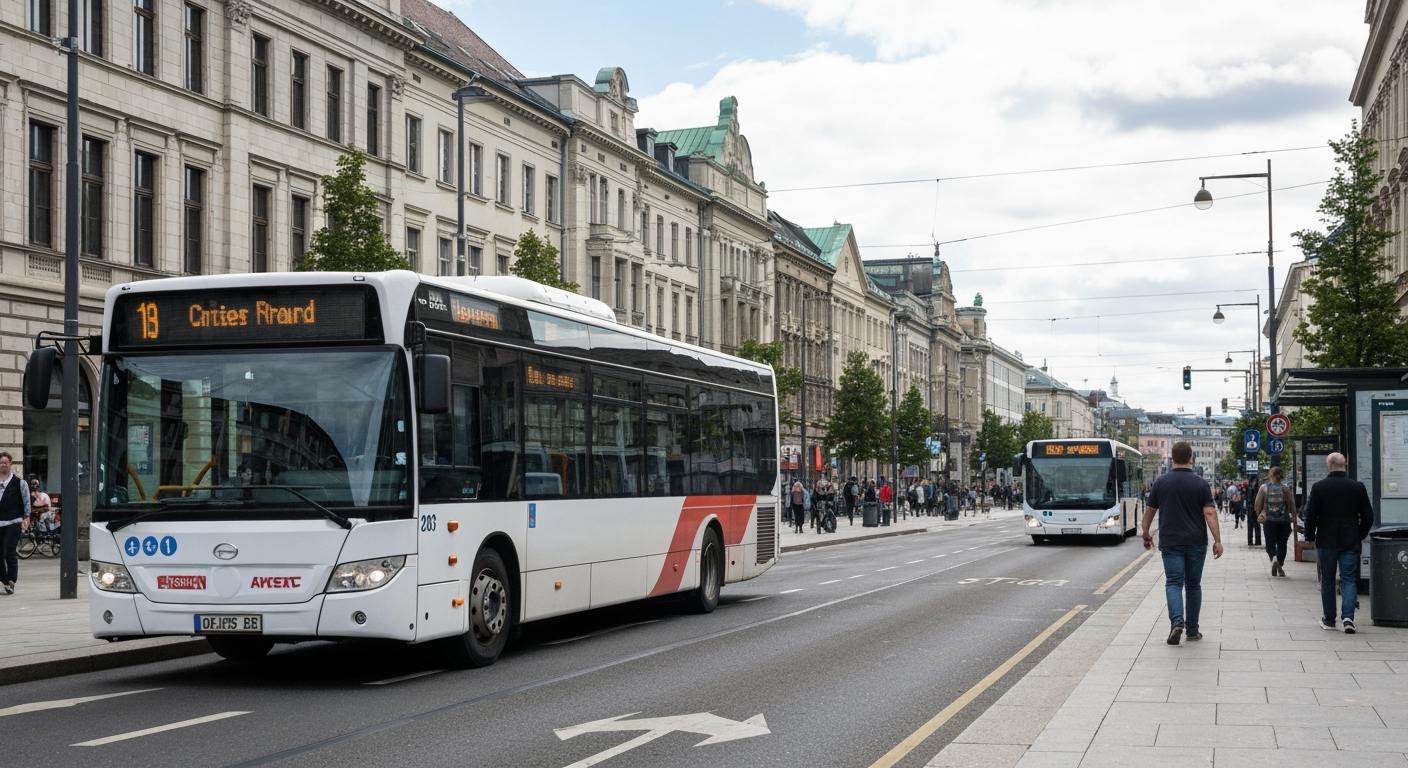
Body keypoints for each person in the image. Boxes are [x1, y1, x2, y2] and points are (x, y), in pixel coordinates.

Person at [1140, 441, 1223, 645]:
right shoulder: (1201, 483)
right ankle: (1192, 630)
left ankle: (1177, 621)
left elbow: (1150, 510)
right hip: (1196, 541)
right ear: (1191, 458)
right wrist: (1217, 540)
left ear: (1172, 459)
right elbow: (1210, 513)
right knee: (1193, 585)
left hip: (1171, 541)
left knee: (1174, 582)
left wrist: (1145, 533)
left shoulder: (1161, 482)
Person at [1303, 452, 1374, 634]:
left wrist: (1310, 536)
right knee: (1349, 579)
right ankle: (1348, 618)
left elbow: (1310, 515)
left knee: (1327, 579)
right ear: (1345, 465)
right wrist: (1359, 533)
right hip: (1350, 540)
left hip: (1326, 540)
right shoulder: (1357, 487)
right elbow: (1368, 515)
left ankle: (1329, 619)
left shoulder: (1319, 487)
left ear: (1329, 466)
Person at [1254, 466, 1298, 577]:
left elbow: (1257, 505)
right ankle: (1280, 564)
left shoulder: (1264, 488)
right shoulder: (1286, 488)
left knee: (1270, 543)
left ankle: (1273, 558)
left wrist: (1260, 515)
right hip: (1283, 521)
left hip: (1269, 520)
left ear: (1270, 475)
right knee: (1282, 543)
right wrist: (1293, 516)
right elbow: (1292, 504)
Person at [0, 452, 32, 595]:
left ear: (11, 464)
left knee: (8, 551)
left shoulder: (20, 483)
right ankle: (4, 580)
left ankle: (11, 580)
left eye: (6, 462)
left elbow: (26, 500)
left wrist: (27, 516)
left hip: (13, 521)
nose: (3, 464)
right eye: (1, 462)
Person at [1245, 476, 1263, 547]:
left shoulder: (1256, 489)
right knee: (1251, 525)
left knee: (1256, 524)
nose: (1254, 483)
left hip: (1255, 508)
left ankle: (1256, 541)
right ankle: (1251, 541)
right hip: (1251, 508)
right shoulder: (1250, 489)